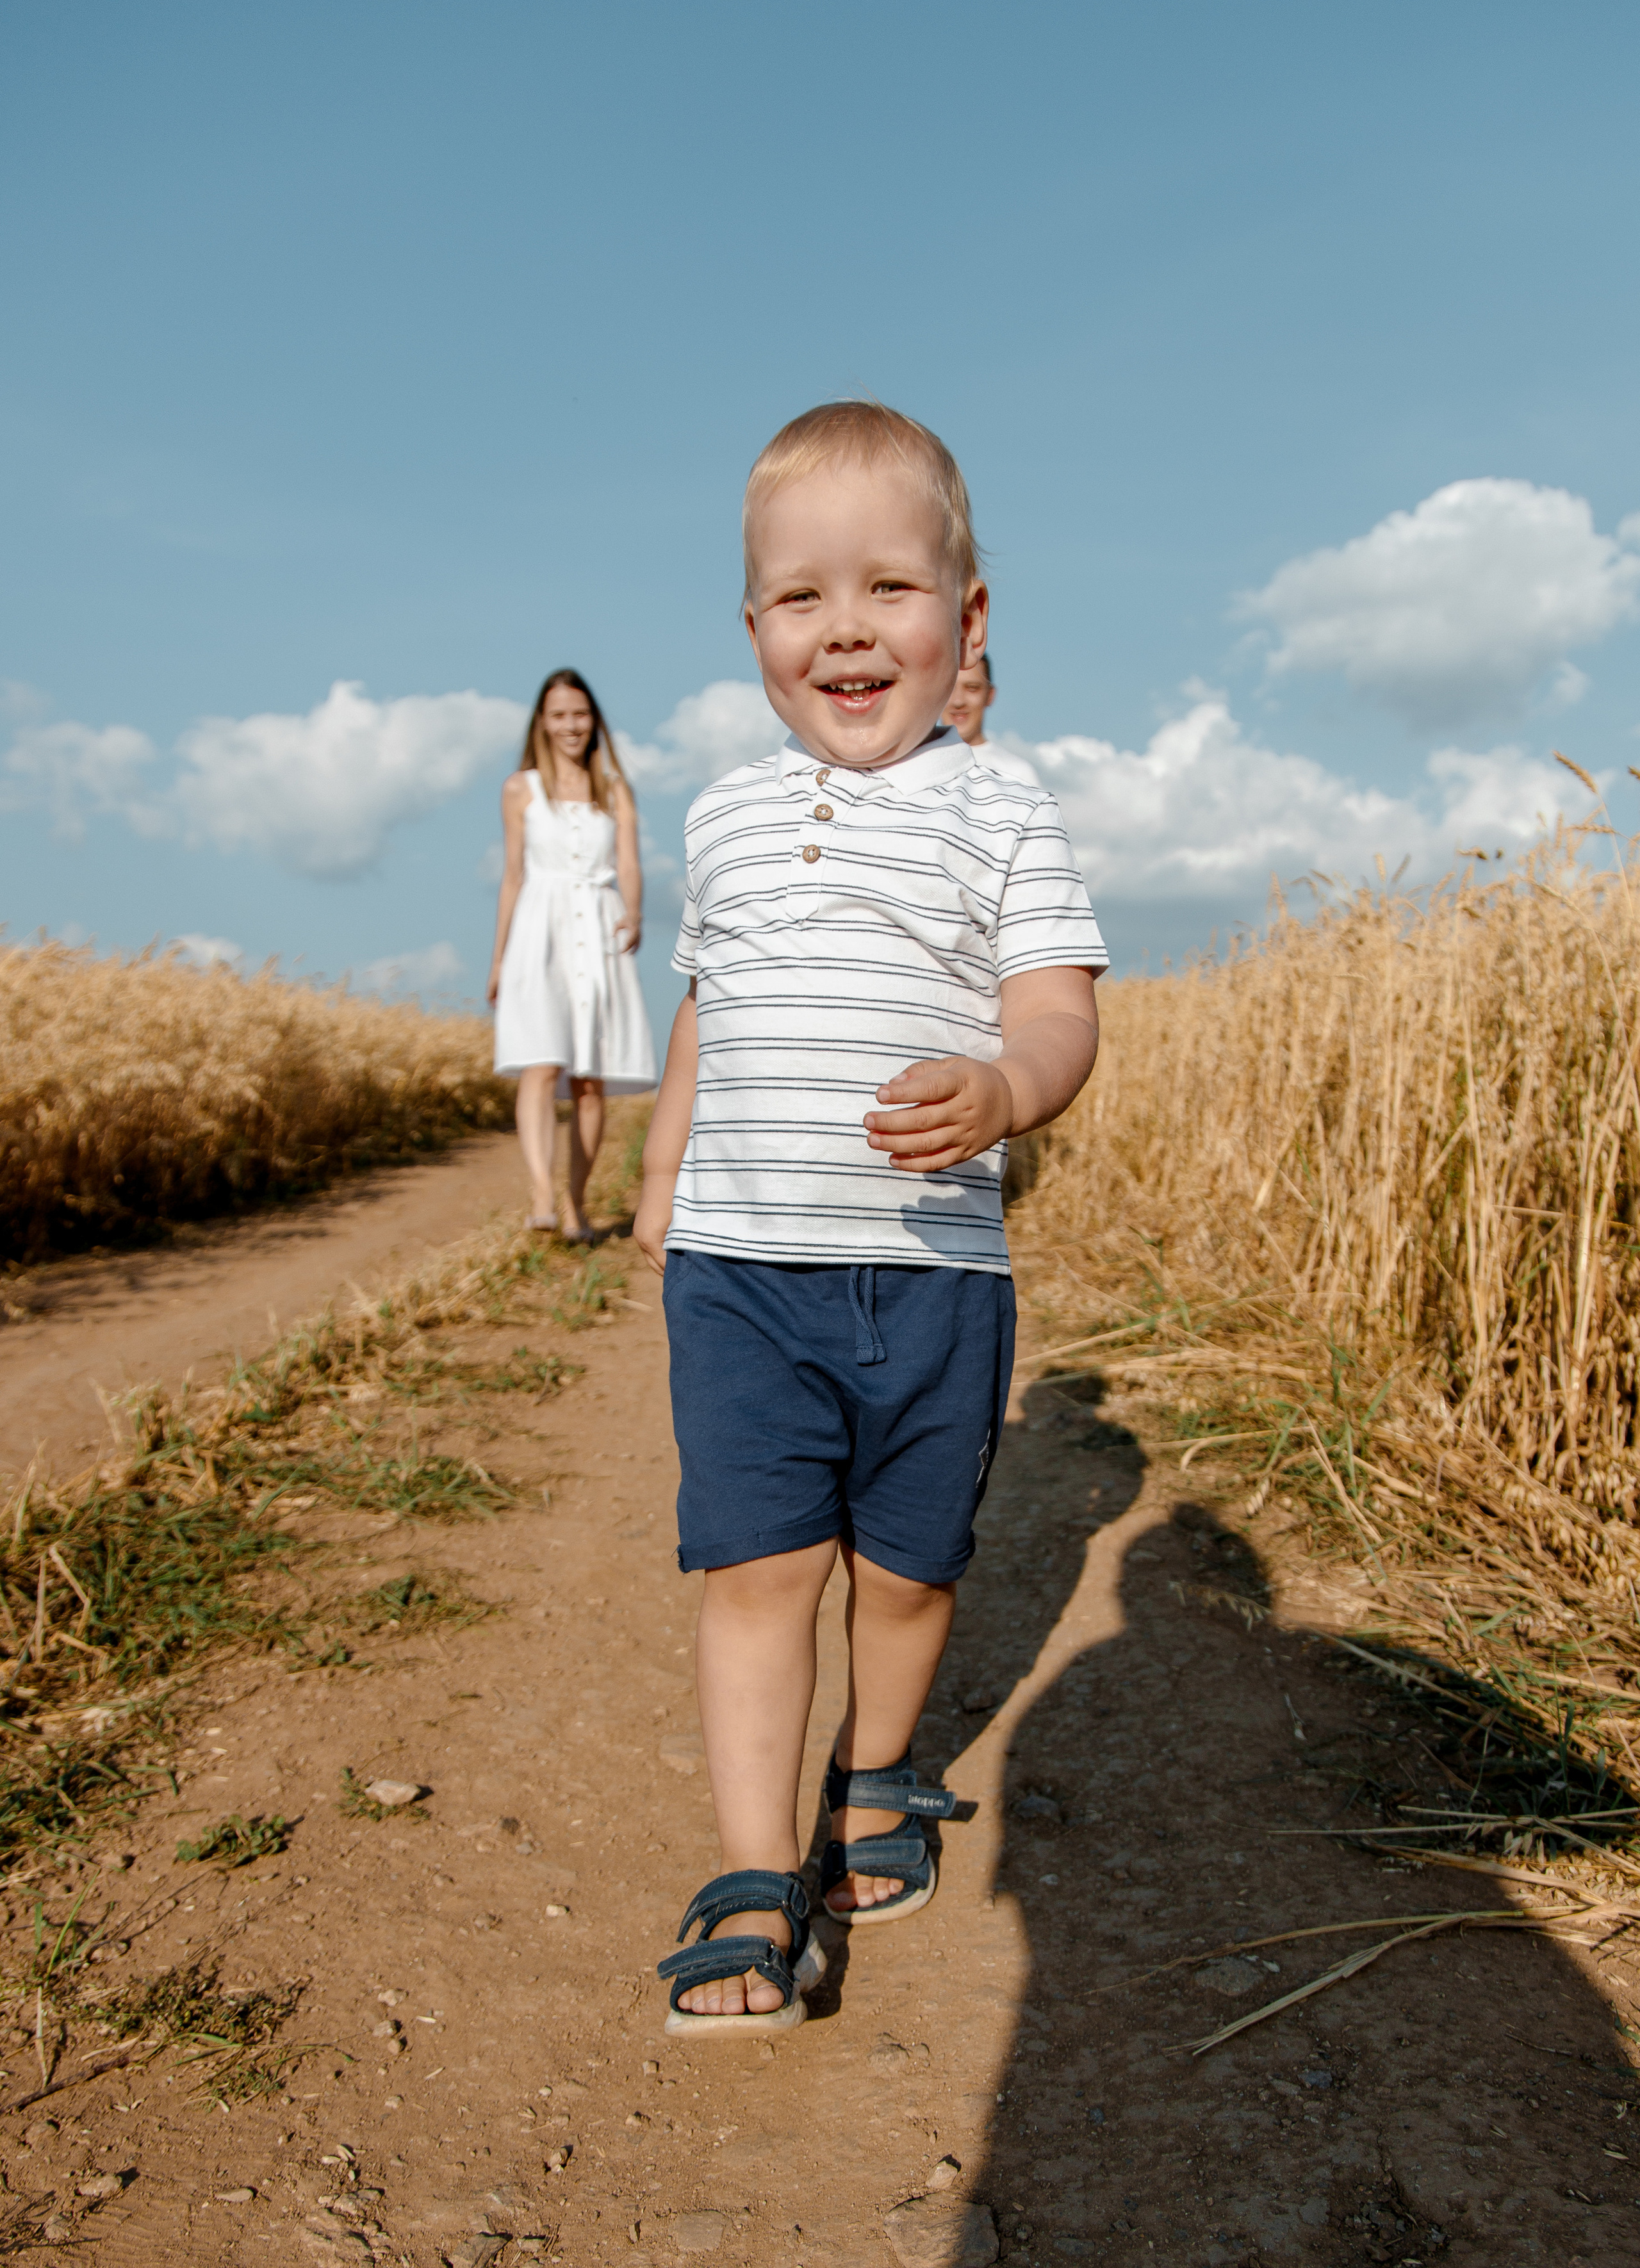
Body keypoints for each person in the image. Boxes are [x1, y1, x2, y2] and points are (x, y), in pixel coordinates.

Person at [634, 401, 1106, 2034]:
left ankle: (878, 1764)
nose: (845, 624)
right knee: (758, 1567)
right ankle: (753, 1872)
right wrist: (659, 1174)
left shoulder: (1004, 808)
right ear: (754, 628)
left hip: (930, 1279)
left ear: (965, 620)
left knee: (903, 1571)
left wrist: (1004, 1086)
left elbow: (1056, 1009)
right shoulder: (720, 815)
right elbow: (711, 1006)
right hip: (743, 1272)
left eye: (890, 588)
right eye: (799, 596)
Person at [489, 668, 657, 1241]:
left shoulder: (614, 788)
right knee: (540, 1061)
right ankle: (539, 1187)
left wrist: (632, 913)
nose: (570, 726)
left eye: (580, 714)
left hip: (599, 926)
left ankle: (574, 1203)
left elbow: (630, 863)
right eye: (559, 715)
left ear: (594, 720)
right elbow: (512, 876)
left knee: (589, 1078)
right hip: (539, 929)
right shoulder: (521, 788)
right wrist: (498, 958)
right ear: (543, 721)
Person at [942, 652, 1042, 785]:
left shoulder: (1017, 774)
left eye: (972, 689)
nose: (958, 701)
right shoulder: (910, 764)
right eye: (949, 688)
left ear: (990, 695)